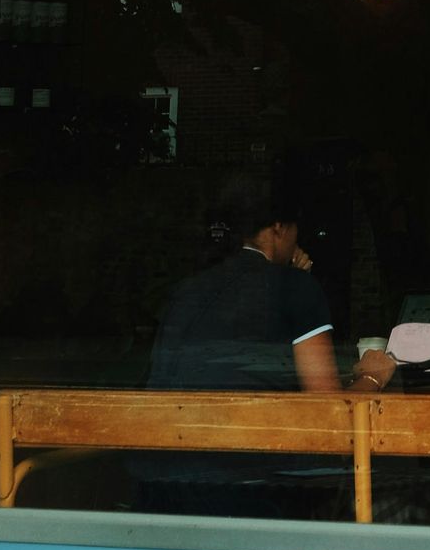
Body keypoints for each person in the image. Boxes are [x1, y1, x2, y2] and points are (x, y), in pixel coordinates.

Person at [143, 171, 348, 517]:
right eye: (297, 230)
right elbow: (329, 414)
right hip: (252, 491)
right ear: (279, 228)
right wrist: (374, 376)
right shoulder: (294, 288)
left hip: (163, 485)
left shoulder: (188, 291)